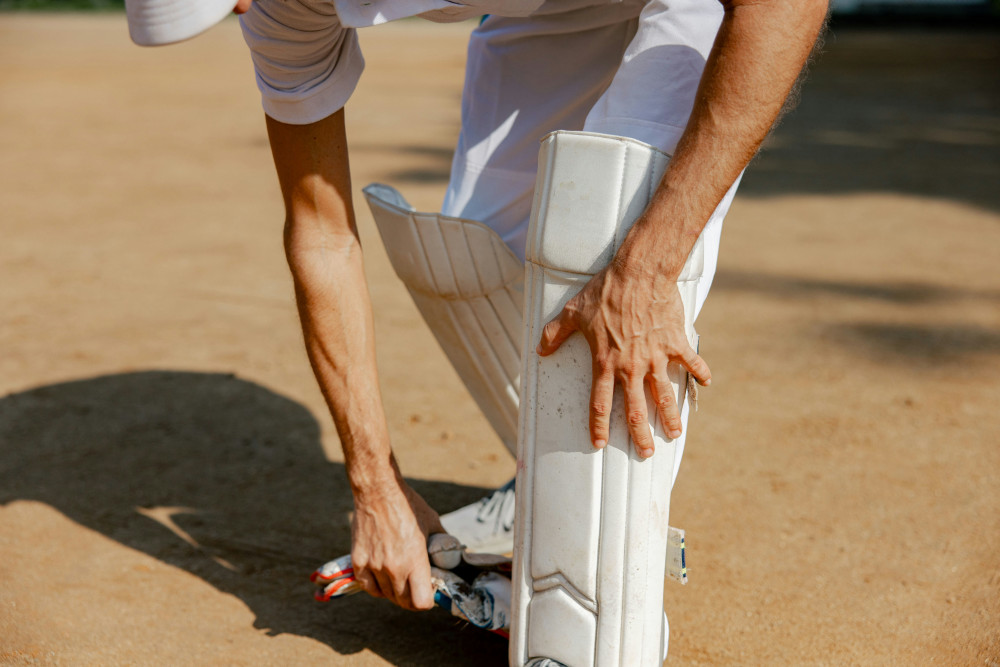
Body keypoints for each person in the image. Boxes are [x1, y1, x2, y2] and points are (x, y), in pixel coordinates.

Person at [126, 0, 828, 627]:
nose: (242, 10)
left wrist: (645, 271)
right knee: (472, 259)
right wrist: (376, 489)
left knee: (600, 252)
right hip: (552, 10)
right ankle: (546, 480)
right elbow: (321, 235)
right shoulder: (273, 7)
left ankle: (591, 607)